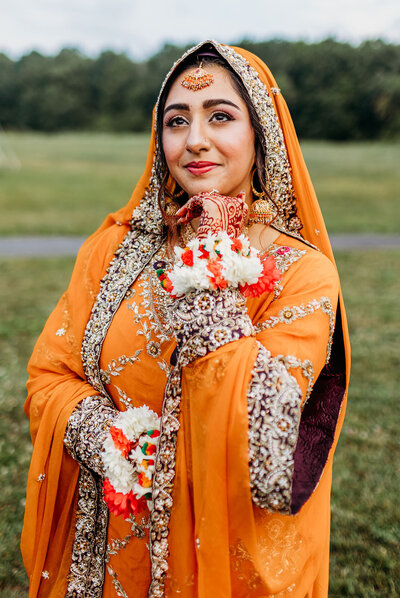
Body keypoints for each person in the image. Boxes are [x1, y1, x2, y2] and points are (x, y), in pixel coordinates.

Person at [21, 40, 350, 598]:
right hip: (109, 541)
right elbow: (49, 376)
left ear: (261, 133)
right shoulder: (113, 251)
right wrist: (116, 442)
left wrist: (212, 259)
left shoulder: (303, 273)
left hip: (226, 558)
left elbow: (269, 455)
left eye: (220, 116)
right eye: (177, 121)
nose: (195, 139)